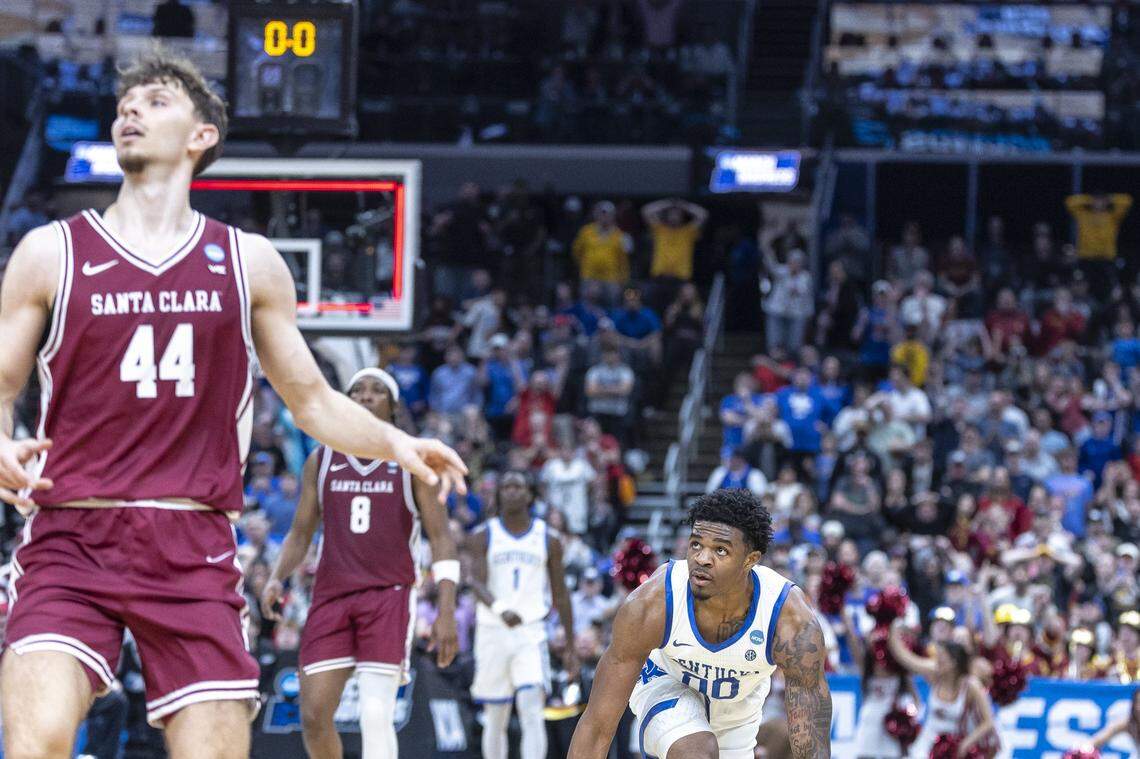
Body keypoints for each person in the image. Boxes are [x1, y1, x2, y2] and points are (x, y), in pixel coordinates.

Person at [0, 50, 467, 759]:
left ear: (202, 135)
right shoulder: (50, 251)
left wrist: (398, 443)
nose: (130, 110)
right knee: (36, 743)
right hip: (71, 534)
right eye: (124, 104)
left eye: (155, 100)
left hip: (193, 546)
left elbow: (311, 400)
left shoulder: (248, 261)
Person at [260, 369, 460, 759]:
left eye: (377, 390)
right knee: (314, 716)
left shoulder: (413, 464)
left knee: (374, 713)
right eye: (357, 390)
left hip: (388, 595)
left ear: (394, 406)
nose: (366, 396)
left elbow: (441, 538)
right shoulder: (321, 460)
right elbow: (300, 532)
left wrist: (447, 608)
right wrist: (276, 577)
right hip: (331, 595)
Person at [567, 489, 833, 759]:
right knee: (697, 752)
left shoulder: (789, 617)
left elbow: (812, 740)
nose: (702, 559)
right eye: (696, 544)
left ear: (750, 559)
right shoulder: (653, 602)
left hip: (737, 711)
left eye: (720, 550)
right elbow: (597, 723)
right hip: (666, 683)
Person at [466, 470, 579, 759]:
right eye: (506, 486)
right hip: (492, 631)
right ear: (499, 494)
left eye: (518, 486)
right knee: (496, 715)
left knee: (531, 708)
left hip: (530, 632)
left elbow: (561, 594)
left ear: (529, 494)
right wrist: (500, 609)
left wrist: (570, 645)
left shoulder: (548, 538)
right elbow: (475, 581)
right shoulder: (483, 534)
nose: (512, 491)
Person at [887, 621, 996, 759]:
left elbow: (988, 722)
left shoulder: (970, 685)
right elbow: (906, 659)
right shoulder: (935, 673)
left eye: (942, 658)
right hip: (926, 744)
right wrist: (893, 633)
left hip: (953, 746)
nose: (937, 661)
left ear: (953, 663)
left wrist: (966, 743)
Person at [1080, 688, 1140, 754]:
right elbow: (1099, 739)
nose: (1139, 707)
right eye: (1137, 703)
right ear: (1133, 705)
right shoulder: (1129, 723)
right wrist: (1084, 749)